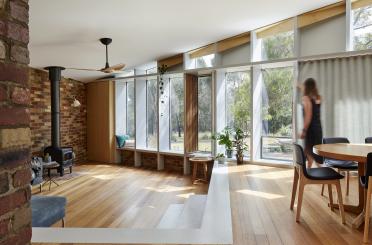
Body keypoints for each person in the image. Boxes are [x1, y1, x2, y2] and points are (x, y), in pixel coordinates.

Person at [300, 78, 323, 168]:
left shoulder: (306, 99)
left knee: (309, 152)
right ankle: (308, 172)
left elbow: (308, 116)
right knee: (313, 152)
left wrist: (304, 130)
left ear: (306, 87)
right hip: (318, 129)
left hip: (311, 130)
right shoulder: (318, 98)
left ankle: (307, 174)